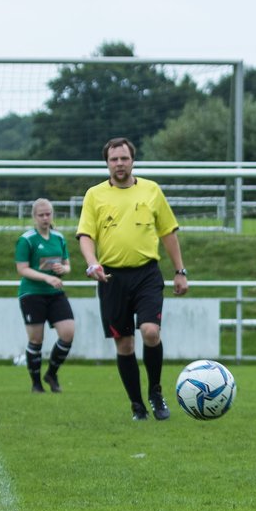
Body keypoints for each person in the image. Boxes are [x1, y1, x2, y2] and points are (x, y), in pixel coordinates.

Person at [76, 137, 188, 421]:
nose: (119, 164)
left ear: (132, 160)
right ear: (107, 163)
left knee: (151, 332)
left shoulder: (151, 190)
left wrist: (179, 271)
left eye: (124, 158)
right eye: (114, 159)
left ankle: (156, 392)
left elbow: (168, 233)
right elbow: (86, 236)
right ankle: (137, 404)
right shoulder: (95, 195)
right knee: (124, 345)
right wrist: (92, 264)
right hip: (112, 278)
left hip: (147, 273)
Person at [15, 198, 74, 393]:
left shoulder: (59, 238)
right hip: (32, 293)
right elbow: (22, 269)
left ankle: (51, 373)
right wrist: (46, 278)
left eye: (48, 214)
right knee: (36, 340)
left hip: (55, 293)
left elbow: (67, 265)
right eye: (41, 215)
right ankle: (36, 384)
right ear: (34, 217)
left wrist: (62, 269)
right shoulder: (27, 239)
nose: (45, 218)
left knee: (68, 333)